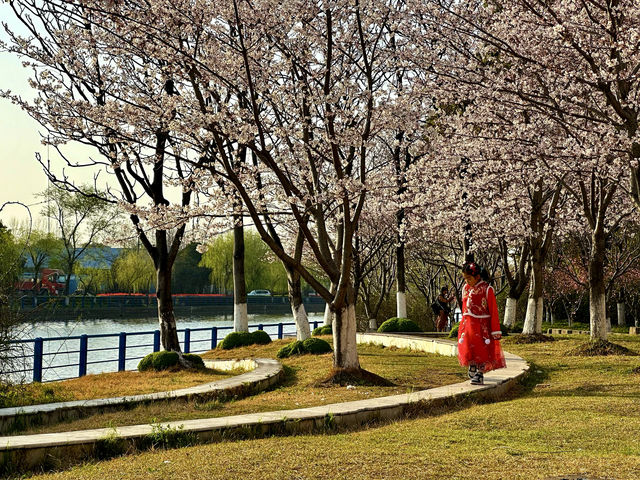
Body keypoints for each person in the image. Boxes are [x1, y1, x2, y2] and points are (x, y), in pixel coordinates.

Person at [458, 262, 506, 385]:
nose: (467, 281)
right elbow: (464, 308)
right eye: (465, 278)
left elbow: (493, 311)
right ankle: (472, 365)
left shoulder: (487, 289)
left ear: (477, 276)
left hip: (482, 327)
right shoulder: (466, 289)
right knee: (469, 347)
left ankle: (480, 373)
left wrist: (495, 330)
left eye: (469, 278)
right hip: (468, 326)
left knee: (482, 351)